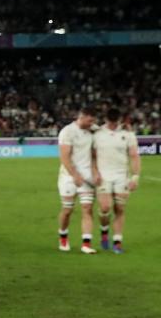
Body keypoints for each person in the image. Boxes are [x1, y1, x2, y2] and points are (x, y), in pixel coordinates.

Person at [92, 108, 140, 253]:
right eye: (111, 122)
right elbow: (92, 156)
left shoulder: (128, 134)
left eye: (116, 122)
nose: (113, 125)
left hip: (121, 177)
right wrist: (95, 172)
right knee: (105, 208)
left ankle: (117, 242)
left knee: (119, 209)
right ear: (106, 120)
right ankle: (104, 232)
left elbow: (134, 156)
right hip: (103, 176)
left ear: (119, 120)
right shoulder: (97, 134)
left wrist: (135, 177)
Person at [57, 107, 98, 253]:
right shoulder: (67, 132)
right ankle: (63, 237)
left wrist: (95, 171)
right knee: (67, 209)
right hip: (68, 177)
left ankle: (86, 244)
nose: (92, 123)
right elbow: (64, 157)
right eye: (90, 120)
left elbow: (94, 154)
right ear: (82, 116)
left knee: (87, 209)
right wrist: (74, 175)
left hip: (87, 177)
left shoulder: (94, 130)